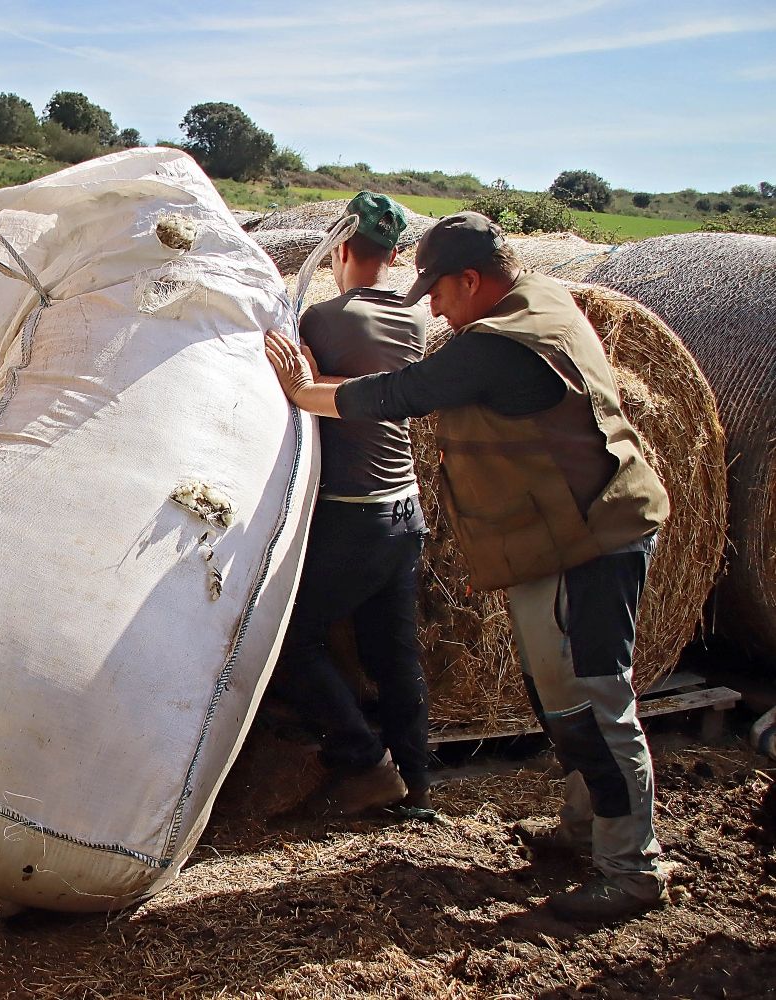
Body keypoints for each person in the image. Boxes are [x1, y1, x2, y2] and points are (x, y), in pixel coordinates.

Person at [265, 211, 671, 924]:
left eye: (440, 293)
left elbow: (400, 395)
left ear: (473, 280)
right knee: (561, 698)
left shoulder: (499, 344)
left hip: (588, 542)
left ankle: (631, 867)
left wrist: (305, 393)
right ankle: (585, 829)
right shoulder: (544, 299)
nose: (433, 308)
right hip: (580, 529)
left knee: (592, 703)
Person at [265, 191, 432, 817]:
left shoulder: (324, 322)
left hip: (353, 513)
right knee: (394, 653)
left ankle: (363, 761)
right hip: (406, 510)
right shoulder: (418, 323)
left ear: (340, 249)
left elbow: (299, 390)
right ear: (394, 256)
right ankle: (417, 786)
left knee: (291, 642)